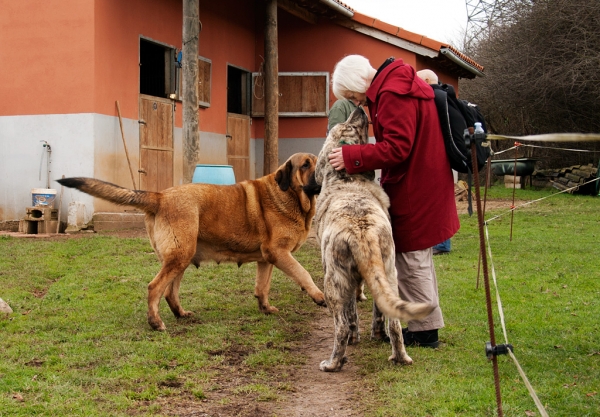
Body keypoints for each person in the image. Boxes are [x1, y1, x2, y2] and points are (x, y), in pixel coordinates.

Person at [328, 55, 459, 348]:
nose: (358, 103)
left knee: (411, 255)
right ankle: (427, 323)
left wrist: (352, 156)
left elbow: (398, 147)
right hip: (423, 180)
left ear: (359, 83)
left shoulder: (391, 93)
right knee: (417, 256)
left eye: (353, 96)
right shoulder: (396, 84)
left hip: (415, 186)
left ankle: (424, 332)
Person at [416, 69, 453, 256]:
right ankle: (441, 242)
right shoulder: (443, 97)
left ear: (428, 80)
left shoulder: (435, 98)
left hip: (437, 158)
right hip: (441, 157)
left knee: (437, 202)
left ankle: (442, 244)